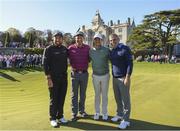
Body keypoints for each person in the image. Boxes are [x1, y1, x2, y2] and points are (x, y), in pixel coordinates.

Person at [42, 31, 68, 127]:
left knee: (62, 97)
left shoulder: (65, 49)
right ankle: (53, 118)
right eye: (56, 38)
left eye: (60, 38)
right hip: (53, 78)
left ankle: (60, 116)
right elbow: (44, 65)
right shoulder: (48, 49)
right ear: (53, 39)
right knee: (54, 98)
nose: (58, 39)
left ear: (62, 39)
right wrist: (48, 78)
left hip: (64, 77)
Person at [109, 33, 133, 129]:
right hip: (115, 78)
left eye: (114, 39)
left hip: (123, 78)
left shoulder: (125, 48)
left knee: (125, 100)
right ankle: (119, 114)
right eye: (111, 40)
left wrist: (127, 77)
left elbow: (130, 64)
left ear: (118, 39)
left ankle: (126, 120)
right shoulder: (112, 50)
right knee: (117, 98)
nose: (112, 41)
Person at [68, 31, 90, 121]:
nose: (78, 39)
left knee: (83, 94)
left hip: (84, 74)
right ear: (75, 38)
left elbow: (90, 59)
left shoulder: (88, 48)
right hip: (75, 74)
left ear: (83, 38)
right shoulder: (70, 48)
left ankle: (82, 111)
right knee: (74, 95)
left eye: (80, 37)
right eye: (77, 37)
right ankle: (74, 113)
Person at [89, 33, 110, 120]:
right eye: (96, 39)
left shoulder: (106, 50)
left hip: (105, 75)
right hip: (95, 76)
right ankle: (97, 112)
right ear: (94, 40)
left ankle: (104, 113)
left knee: (104, 95)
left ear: (101, 40)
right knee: (97, 95)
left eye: (99, 39)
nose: (97, 41)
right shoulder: (91, 51)